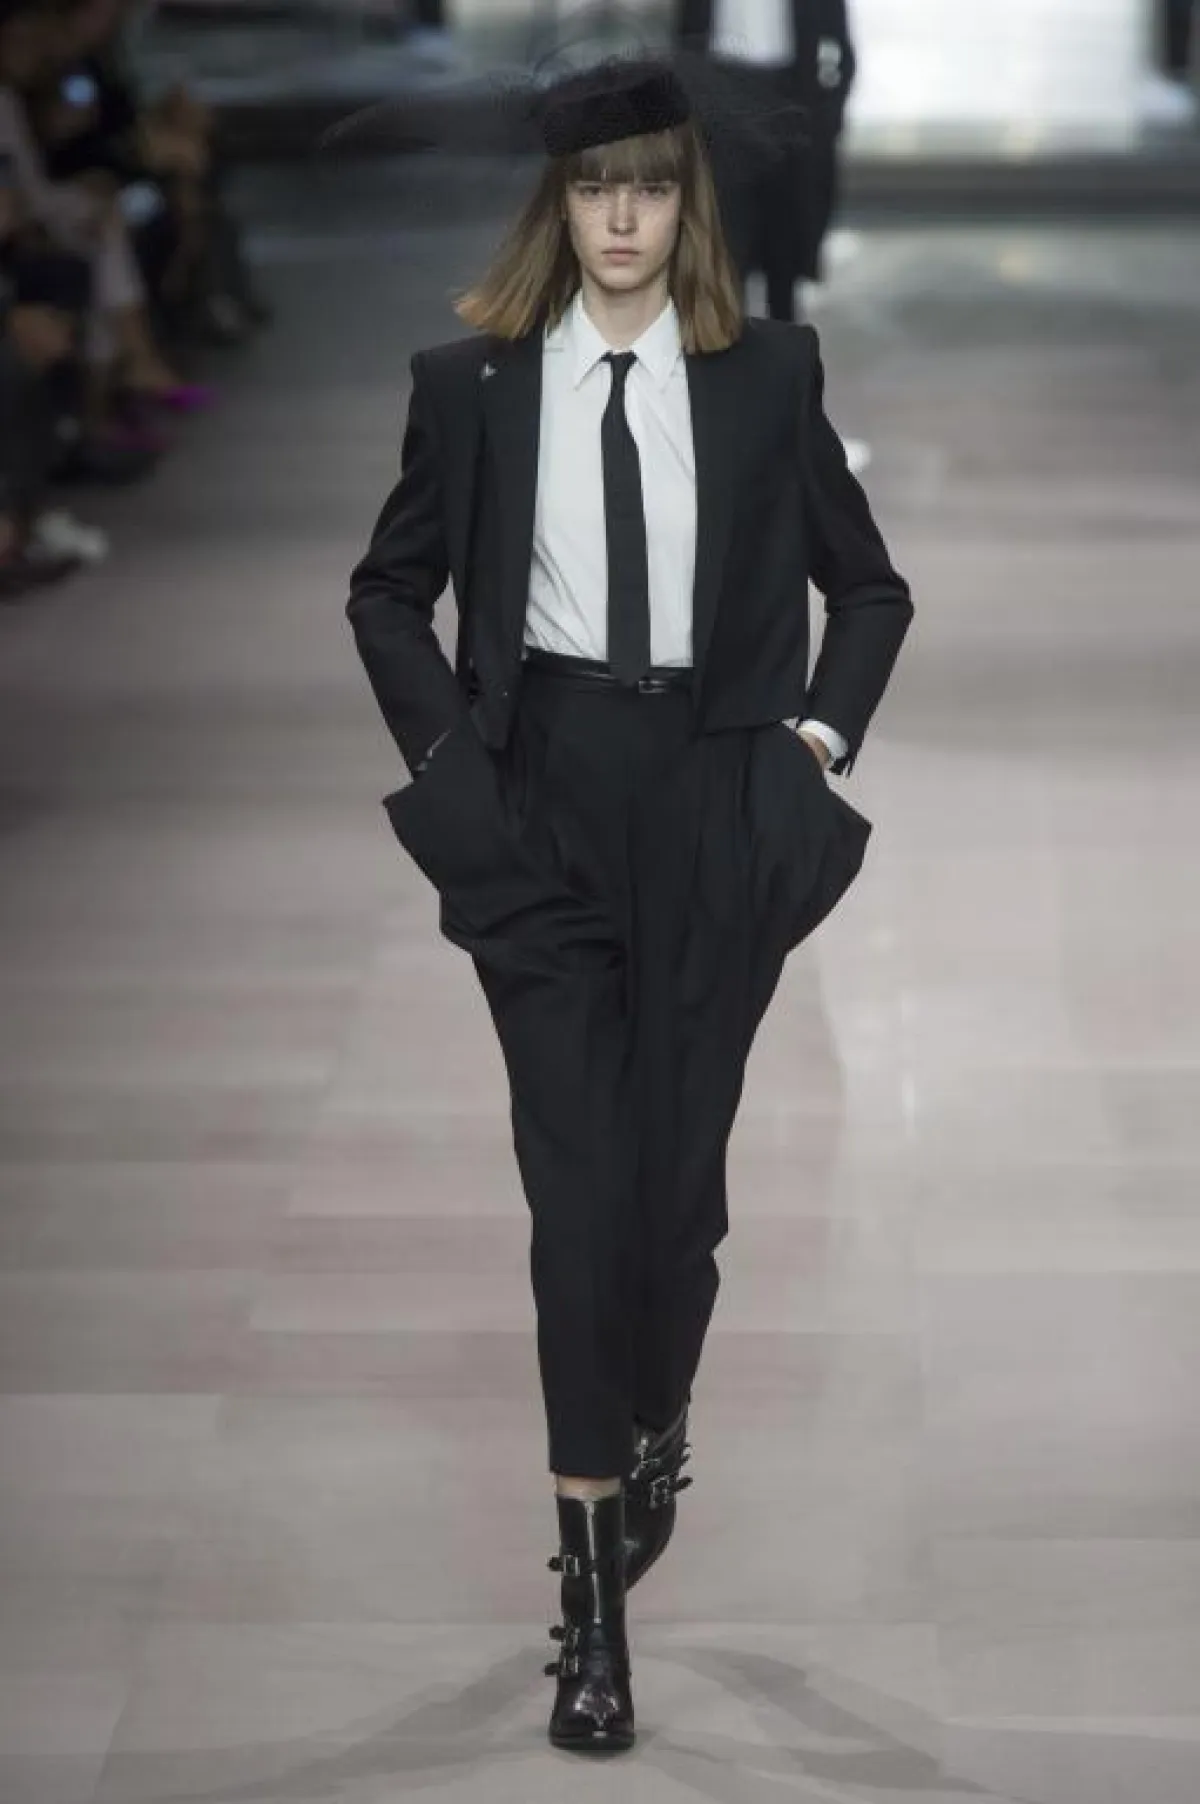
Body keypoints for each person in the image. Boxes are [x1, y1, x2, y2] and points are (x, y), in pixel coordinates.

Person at [345, 56, 913, 1755]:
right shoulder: (470, 384)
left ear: (685, 205)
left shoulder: (765, 375)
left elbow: (869, 588)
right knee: (579, 1201)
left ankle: (656, 1415)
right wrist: (454, 771)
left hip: (716, 800)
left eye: (649, 188)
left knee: (674, 1207)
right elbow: (388, 591)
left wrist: (811, 748)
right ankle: (593, 1612)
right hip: (541, 812)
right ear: (559, 203)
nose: (619, 218)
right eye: (595, 188)